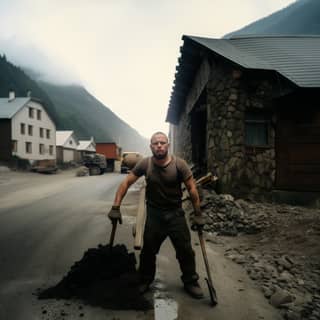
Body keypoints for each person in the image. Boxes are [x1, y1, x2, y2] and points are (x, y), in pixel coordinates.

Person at [108, 131, 205, 299]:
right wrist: (116, 207)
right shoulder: (145, 164)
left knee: (186, 251)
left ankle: (190, 281)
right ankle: (145, 279)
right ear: (151, 146)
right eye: (155, 143)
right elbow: (126, 182)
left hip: (175, 214)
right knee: (148, 252)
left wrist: (198, 214)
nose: (159, 145)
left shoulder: (179, 165)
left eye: (162, 142)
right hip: (155, 215)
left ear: (168, 145)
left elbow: (192, 189)